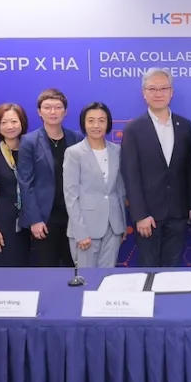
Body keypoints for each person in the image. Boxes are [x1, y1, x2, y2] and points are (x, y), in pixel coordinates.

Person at [121, 67, 191, 267]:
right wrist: (140, 215)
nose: (158, 94)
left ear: (171, 92)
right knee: (149, 268)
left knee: (171, 270)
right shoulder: (133, 129)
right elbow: (131, 175)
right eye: (152, 89)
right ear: (144, 93)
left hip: (178, 212)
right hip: (149, 215)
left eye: (163, 88)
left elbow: (189, 170)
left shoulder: (185, 125)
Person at [17, 89, 82, 267]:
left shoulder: (76, 138)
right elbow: (26, 184)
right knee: (48, 269)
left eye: (58, 107)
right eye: (47, 107)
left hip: (72, 216)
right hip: (45, 219)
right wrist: (35, 220)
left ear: (65, 111)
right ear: (39, 111)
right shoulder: (29, 141)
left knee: (75, 269)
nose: (53, 112)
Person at [63, 102, 127, 268]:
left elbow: (119, 191)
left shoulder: (117, 151)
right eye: (91, 121)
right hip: (86, 229)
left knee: (107, 280)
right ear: (84, 123)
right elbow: (71, 196)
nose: (96, 125)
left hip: (113, 227)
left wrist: (122, 225)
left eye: (101, 120)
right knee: (86, 281)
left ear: (108, 123)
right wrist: (80, 232)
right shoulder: (74, 153)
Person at [0, 103, 32, 267]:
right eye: (4, 122)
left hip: (30, 222)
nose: (9, 126)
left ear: (22, 123)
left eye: (14, 121)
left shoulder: (31, 150)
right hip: (3, 223)